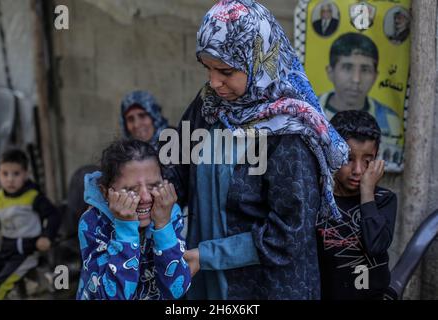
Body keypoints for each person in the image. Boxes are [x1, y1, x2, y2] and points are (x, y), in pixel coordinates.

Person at [165, 0, 349, 300]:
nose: (214, 82)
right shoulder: (208, 106)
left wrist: (208, 255)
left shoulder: (288, 133)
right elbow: (178, 168)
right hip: (206, 282)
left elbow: (289, 235)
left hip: (268, 288)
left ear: (259, 62)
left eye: (225, 70)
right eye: (207, 68)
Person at [76, 139, 191, 300]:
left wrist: (163, 226)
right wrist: (126, 230)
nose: (145, 197)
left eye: (154, 186)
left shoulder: (170, 214)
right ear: (105, 192)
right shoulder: (93, 223)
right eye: (130, 190)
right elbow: (112, 296)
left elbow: (175, 291)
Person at [316, 110, 397, 300]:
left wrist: (367, 192)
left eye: (367, 160)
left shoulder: (384, 199)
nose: (358, 170)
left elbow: (376, 246)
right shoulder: (318, 198)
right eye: (348, 159)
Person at [318, 32, 403, 166]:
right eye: (347, 67)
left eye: (365, 69)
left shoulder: (391, 121)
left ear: (375, 76)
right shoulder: (309, 112)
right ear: (330, 72)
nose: (356, 79)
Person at [0, 148, 60, 299]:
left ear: (26, 174)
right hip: (7, 248)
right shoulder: (0, 197)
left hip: (27, 251)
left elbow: (54, 215)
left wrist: (47, 236)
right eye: (5, 174)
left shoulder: (33, 196)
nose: (10, 179)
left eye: (16, 174)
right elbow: (3, 218)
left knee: (1, 283)